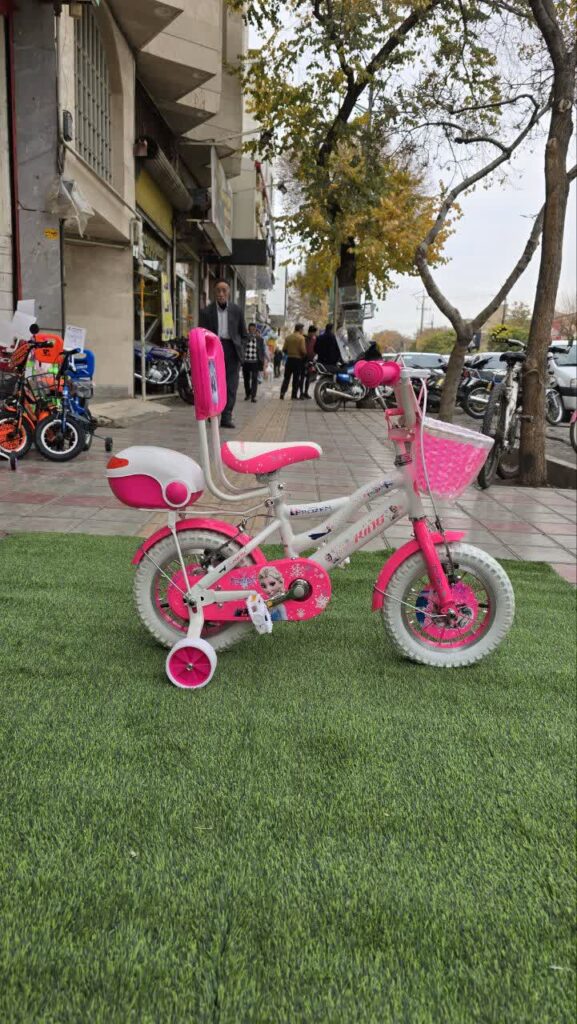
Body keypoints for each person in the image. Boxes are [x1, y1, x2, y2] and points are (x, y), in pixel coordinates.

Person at [199, 278, 248, 429]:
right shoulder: (206, 312)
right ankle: (213, 414)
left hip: (232, 350)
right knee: (213, 384)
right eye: (218, 291)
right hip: (213, 350)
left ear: (229, 292)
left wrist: (241, 348)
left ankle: (227, 416)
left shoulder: (237, 310)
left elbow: (244, 334)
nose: (221, 293)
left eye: (224, 290)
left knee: (230, 385)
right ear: (214, 293)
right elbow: (202, 333)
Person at [280, 323, 306, 400]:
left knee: (286, 378)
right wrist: (303, 355)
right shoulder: (301, 338)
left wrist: (289, 352)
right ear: (300, 329)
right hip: (297, 360)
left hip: (289, 360)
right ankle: (294, 395)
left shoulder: (288, 337)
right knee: (296, 378)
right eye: (302, 329)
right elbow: (303, 350)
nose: (303, 331)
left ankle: (282, 393)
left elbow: (284, 349)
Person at [243, 322, 267, 403]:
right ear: (248, 329)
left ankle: (253, 396)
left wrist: (263, 362)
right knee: (246, 379)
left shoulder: (260, 339)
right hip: (246, 361)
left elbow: (262, 351)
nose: (252, 330)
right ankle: (248, 394)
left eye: (253, 329)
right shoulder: (244, 338)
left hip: (255, 362)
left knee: (254, 379)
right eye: (250, 329)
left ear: (255, 329)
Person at [299, 325, 317, 399]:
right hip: (303, 360)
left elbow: (315, 348)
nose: (314, 334)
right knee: (302, 377)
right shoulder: (304, 338)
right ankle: (301, 393)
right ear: (310, 332)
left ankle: (306, 392)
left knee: (309, 377)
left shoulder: (314, 339)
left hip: (311, 360)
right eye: (313, 333)